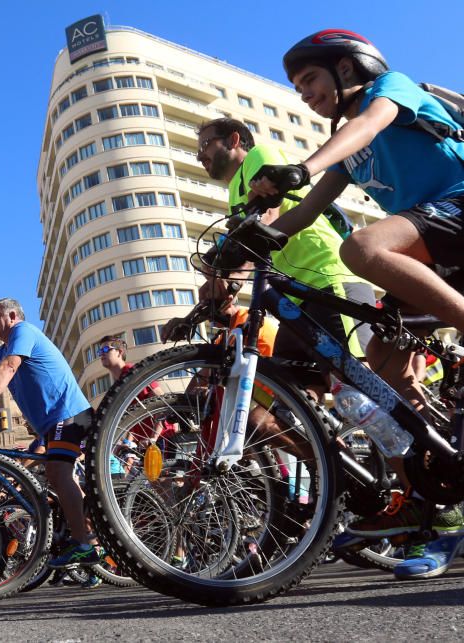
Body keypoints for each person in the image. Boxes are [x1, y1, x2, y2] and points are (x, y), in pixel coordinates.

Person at [246, 29, 464, 578]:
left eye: (309, 80)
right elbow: (302, 214)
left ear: (348, 69)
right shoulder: (349, 150)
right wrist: (246, 241)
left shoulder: (390, 91)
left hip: (457, 209)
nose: (303, 94)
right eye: (296, 87)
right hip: (430, 247)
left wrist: (301, 167)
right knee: (382, 381)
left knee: (363, 246)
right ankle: (434, 512)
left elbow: (370, 124)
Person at [194, 117, 374, 387]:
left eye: (205, 146)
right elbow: (248, 256)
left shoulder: (258, 156)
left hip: (326, 281)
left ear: (233, 140)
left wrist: (226, 264)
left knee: (358, 387)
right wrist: (216, 289)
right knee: (271, 416)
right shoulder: (234, 193)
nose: (200, 156)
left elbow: (266, 216)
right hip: (293, 300)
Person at [0, 298, 98, 570]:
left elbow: (10, 368)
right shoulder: (3, 352)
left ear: (12, 315)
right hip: (51, 424)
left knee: (58, 472)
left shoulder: (23, 332)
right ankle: (91, 533)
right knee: (56, 475)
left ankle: (84, 544)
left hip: (68, 413)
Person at [97, 334, 176, 449]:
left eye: (105, 349)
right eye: (100, 351)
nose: (102, 354)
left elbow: (161, 400)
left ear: (119, 352)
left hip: (162, 437)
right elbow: (132, 417)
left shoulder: (133, 372)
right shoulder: (118, 384)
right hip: (145, 443)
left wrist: (154, 437)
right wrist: (128, 443)